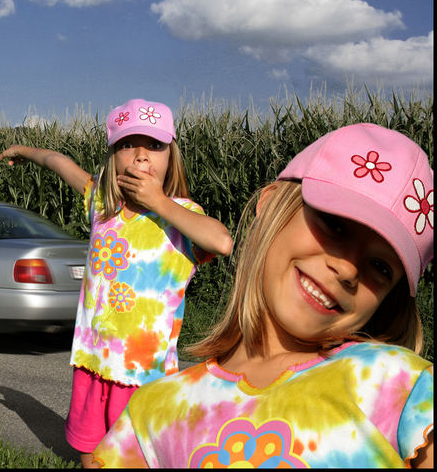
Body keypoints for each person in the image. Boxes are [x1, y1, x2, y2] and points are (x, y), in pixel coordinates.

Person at [91, 123, 434, 468]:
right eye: (335, 225)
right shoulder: (154, 412)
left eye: (380, 266)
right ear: (270, 205)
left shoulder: (403, 388)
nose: (347, 270)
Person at [0, 99, 233, 467]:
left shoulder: (182, 216)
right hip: (92, 363)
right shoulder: (101, 205)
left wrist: (159, 201)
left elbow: (221, 241)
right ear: (113, 157)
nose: (141, 156)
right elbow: (59, 163)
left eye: (154, 146)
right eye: (127, 145)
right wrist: (24, 151)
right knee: (90, 454)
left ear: (171, 156)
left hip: (144, 375)